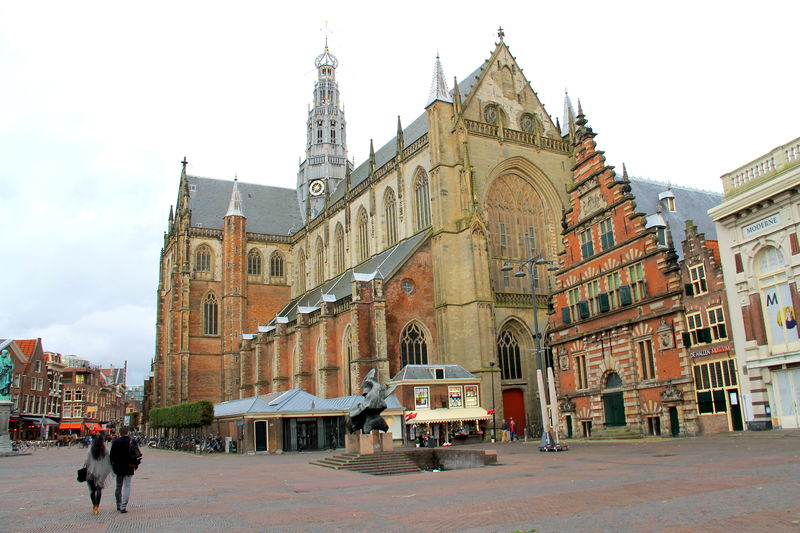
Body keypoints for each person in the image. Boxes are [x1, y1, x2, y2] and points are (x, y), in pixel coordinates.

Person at [110, 426, 142, 513]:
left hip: (118, 467)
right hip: (129, 466)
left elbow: (111, 456)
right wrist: (136, 464)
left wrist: (113, 466)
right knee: (127, 486)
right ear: (127, 432)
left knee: (118, 486)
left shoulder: (115, 442)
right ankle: (123, 506)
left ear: (120, 433)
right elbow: (137, 454)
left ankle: (118, 504)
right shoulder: (132, 441)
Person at [84, 434, 112, 515]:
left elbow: (87, 462)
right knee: (99, 489)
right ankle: (97, 507)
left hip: (91, 472)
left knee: (92, 490)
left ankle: (94, 505)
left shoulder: (90, 450)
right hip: (101, 473)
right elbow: (108, 461)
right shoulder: (105, 450)